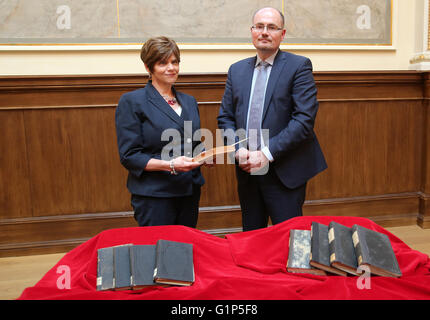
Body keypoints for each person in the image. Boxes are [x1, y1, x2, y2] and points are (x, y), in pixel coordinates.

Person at [217, 7, 327, 231]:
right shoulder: (236, 70)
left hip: (283, 169)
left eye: (271, 27)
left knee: (289, 238)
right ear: (252, 31)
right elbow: (225, 117)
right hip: (247, 169)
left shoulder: (299, 66)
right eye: (259, 26)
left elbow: (303, 120)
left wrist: (266, 154)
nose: (264, 32)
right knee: (252, 234)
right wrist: (237, 150)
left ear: (282, 34)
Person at [115, 36, 206, 227]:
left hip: (189, 191)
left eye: (174, 62)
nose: (171, 68)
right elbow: (130, 156)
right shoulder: (132, 101)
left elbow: (194, 143)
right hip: (154, 195)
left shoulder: (189, 101)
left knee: (185, 251)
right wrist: (170, 165)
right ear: (149, 68)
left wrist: (206, 156)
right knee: (158, 253)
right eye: (163, 63)